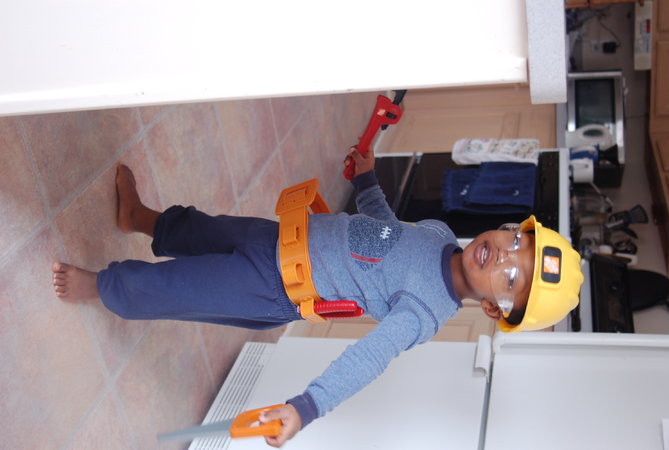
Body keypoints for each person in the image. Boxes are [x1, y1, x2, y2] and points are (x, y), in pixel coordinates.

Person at [52, 147, 584, 448]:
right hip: (282, 238)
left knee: (177, 287)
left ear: (493, 309)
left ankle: (101, 287)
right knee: (200, 230)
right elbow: (385, 232)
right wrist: (368, 180)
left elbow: (369, 359)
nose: (505, 255)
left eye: (512, 280)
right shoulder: (441, 234)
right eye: (518, 241)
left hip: (277, 287)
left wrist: (306, 407)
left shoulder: (424, 313)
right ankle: (140, 218)